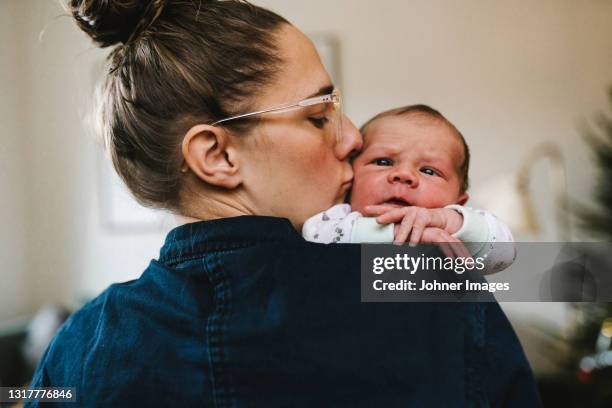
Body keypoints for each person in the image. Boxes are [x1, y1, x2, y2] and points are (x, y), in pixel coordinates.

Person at [27, 0, 541, 406]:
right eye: (318, 116)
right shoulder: (426, 287)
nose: (353, 139)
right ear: (218, 155)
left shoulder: (78, 345)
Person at [303, 105, 516, 274]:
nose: (403, 175)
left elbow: (504, 254)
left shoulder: (458, 230)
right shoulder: (340, 220)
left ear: (458, 203)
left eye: (429, 171)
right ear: (351, 177)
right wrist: (396, 233)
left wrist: (447, 221)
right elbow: (314, 238)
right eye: (383, 162)